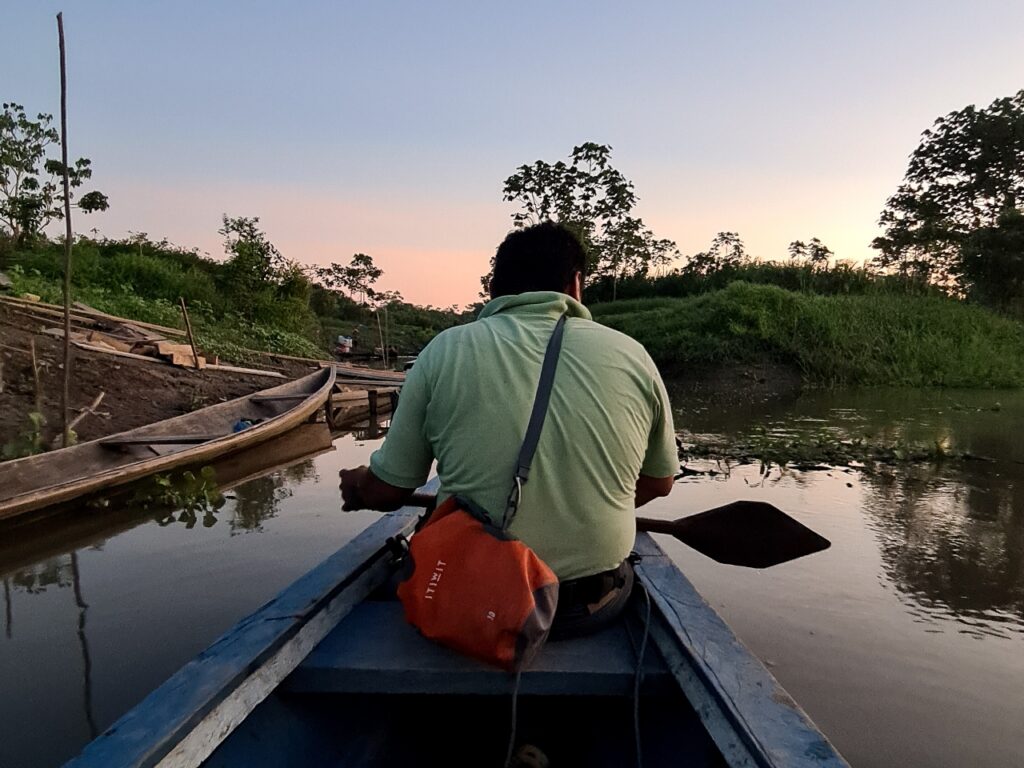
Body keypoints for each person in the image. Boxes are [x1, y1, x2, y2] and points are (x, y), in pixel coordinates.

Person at [340, 221, 677, 637]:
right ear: (575, 283)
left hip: (472, 599)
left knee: (407, 575)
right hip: (586, 606)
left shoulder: (445, 349)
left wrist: (359, 486)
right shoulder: (633, 355)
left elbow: (389, 490)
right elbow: (659, 482)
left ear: (494, 289)